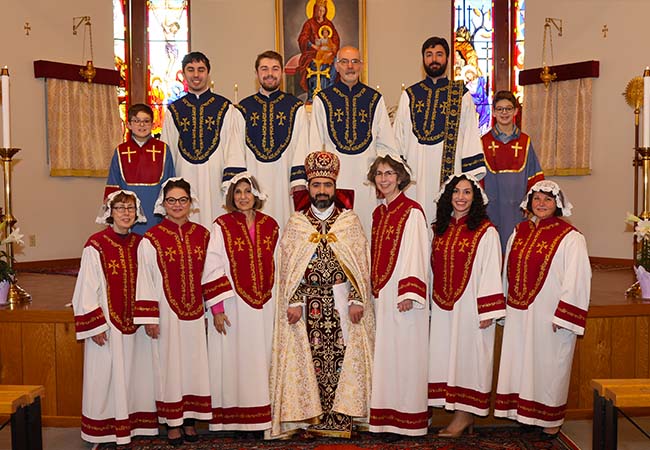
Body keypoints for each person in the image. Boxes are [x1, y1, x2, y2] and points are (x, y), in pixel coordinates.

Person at [269, 150, 375, 438]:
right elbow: (289, 267)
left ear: (335, 187)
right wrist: (293, 300)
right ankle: (310, 419)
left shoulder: (350, 221)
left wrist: (356, 298)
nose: (322, 191)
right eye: (316, 185)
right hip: (308, 305)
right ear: (309, 188)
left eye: (327, 185)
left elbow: (360, 262)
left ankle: (342, 418)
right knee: (309, 360)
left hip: (342, 301)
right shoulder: (297, 223)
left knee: (342, 359)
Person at [495, 180, 591, 437]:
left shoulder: (571, 238)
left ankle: (551, 418)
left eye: (547, 199)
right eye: (536, 198)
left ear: (557, 204)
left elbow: (578, 278)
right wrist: (504, 302)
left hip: (551, 314)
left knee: (549, 365)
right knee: (522, 363)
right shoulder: (519, 231)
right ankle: (525, 414)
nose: (541, 204)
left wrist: (566, 313)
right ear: (529, 202)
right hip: (520, 310)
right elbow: (507, 270)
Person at [72, 190, 158, 446]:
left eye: (130, 208)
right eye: (120, 208)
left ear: (137, 212)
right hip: (108, 326)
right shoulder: (95, 244)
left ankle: (132, 427)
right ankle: (102, 432)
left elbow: (151, 283)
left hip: (137, 325)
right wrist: (94, 325)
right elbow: (86, 288)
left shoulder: (142, 244)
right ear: (110, 212)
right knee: (105, 378)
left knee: (135, 376)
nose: (125, 213)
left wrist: (150, 318)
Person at [134, 178, 212, 445]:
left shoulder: (203, 235)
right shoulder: (151, 239)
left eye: (182, 200)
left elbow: (210, 274)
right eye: (171, 201)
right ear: (163, 204)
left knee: (194, 366)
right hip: (166, 313)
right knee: (170, 367)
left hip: (196, 313)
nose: (177, 205)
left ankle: (190, 420)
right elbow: (144, 278)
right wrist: (149, 317)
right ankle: (173, 424)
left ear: (191, 203)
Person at [428, 174, 505, 437]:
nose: (461, 197)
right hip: (443, 307)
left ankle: (464, 416)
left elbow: (492, 270)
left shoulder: (486, 231)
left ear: (476, 198)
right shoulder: (440, 228)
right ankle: (461, 415)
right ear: (448, 196)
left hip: (472, 307)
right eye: (456, 192)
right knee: (448, 357)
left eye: (467, 192)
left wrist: (488, 308)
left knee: (468, 358)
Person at [202, 173, 279, 435]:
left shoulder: (271, 225)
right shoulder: (221, 226)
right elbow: (213, 267)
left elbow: (280, 266)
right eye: (238, 192)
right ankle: (237, 421)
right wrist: (218, 310)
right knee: (236, 362)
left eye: (248, 191)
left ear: (256, 194)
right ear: (231, 196)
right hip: (233, 305)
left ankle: (262, 419)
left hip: (266, 306)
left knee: (263, 359)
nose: (243, 197)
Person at [366, 155, 429, 438]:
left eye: (389, 173)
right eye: (379, 174)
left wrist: (410, 291)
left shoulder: (412, 211)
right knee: (387, 357)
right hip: (383, 293)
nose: (384, 178)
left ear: (400, 177)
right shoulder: (379, 213)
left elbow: (416, 252)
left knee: (406, 356)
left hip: (404, 296)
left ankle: (409, 420)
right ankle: (387, 419)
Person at [394, 36, 485, 223]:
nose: (434, 59)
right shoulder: (409, 95)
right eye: (429, 55)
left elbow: (470, 137)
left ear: (447, 58)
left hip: (450, 175)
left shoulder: (461, 95)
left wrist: (468, 180)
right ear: (423, 59)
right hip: (413, 178)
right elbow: (398, 138)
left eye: (439, 54)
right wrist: (396, 175)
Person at [310, 46, 399, 236]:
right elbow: (315, 146)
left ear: (362, 65)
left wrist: (381, 181)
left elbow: (386, 145)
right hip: (335, 181)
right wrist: (319, 184)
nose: (350, 67)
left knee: (367, 233)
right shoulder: (323, 100)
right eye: (344, 62)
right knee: (337, 236)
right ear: (336, 66)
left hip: (367, 181)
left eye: (355, 62)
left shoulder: (374, 99)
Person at [228, 51, 309, 227]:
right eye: (264, 69)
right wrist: (238, 184)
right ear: (257, 73)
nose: (269, 74)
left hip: (284, 180)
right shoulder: (243, 108)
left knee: (285, 224)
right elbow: (235, 147)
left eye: (275, 69)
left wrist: (298, 180)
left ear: (281, 73)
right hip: (252, 179)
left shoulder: (295, 108)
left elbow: (302, 144)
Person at [161, 51, 242, 229]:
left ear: (208, 73)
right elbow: (168, 151)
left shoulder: (225, 108)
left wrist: (231, 184)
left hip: (216, 179)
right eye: (190, 70)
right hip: (184, 176)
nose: (196, 75)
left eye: (201, 70)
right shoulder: (174, 110)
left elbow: (233, 147)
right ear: (183, 73)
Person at [482, 90, 545, 253]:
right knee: (493, 250)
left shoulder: (525, 141)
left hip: (518, 208)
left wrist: (532, 204)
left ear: (516, 111)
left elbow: (534, 176)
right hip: (492, 207)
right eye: (500, 109)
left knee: (517, 249)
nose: (504, 113)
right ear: (494, 112)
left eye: (508, 109)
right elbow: (478, 179)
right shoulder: (483, 142)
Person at [105, 103, 175, 235]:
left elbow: (169, 184)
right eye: (137, 121)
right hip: (128, 214)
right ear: (129, 125)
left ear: (153, 125)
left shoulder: (163, 150)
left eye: (146, 121)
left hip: (155, 213)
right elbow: (113, 186)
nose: (141, 125)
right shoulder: (121, 151)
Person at [297, 0, 340, 101]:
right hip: (311, 53)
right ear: (315, 10)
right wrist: (313, 46)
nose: (321, 13)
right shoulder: (309, 24)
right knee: (315, 64)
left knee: (335, 62)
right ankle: (314, 94)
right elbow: (302, 38)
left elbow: (335, 40)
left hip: (328, 53)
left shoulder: (329, 24)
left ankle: (329, 89)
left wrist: (332, 49)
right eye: (319, 10)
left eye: (323, 10)